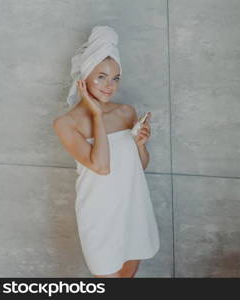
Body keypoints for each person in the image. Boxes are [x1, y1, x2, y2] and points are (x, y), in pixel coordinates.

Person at [52, 26, 160, 278]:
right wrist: (97, 115)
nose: (110, 86)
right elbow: (102, 167)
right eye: (101, 76)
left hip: (132, 205)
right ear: (84, 76)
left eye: (116, 78)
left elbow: (139, 167)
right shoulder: (66, 123)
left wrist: (141, 145)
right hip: (99, 211)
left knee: (128, 277)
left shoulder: (126, 112)